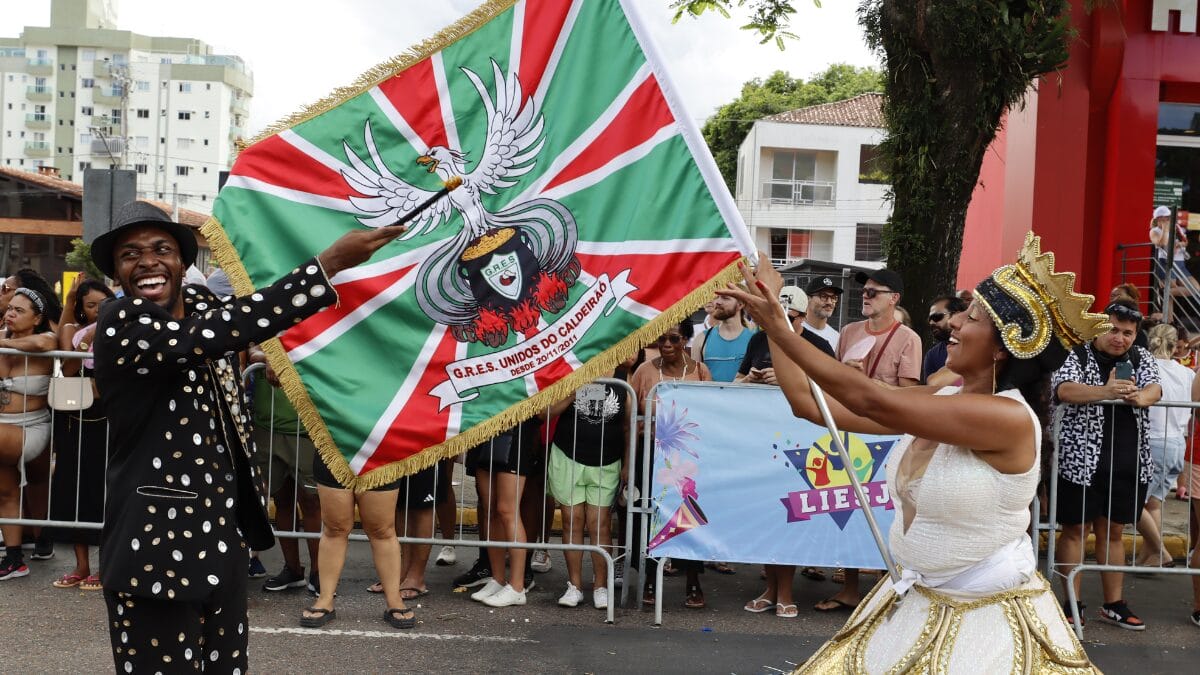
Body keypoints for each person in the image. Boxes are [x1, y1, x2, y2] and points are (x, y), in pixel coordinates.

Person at [719, 233, 1102, 672]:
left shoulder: (1007, 418)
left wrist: (777, 326)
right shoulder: (942, 400)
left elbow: (872, 400)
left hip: (984, 625)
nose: (954, 323)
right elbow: (809, 404)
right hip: (917, 601)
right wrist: (779, 319)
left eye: (971, 317)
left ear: (1002, 347)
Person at [90, 200, 410, 670]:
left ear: (182, 261)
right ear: (117, 273)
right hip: (154, 546)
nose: (147, 262)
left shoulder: (203, 306)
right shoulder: (121, 322)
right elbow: (214, 333)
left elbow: (243, 322)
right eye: (130, 254)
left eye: (161, 249)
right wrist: (326, 266)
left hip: (223, 537)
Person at [817, 268, 922, 613]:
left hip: (887, 435)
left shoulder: (908, 338)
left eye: (874, 291)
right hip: (849, 430)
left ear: (894, 299)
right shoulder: (848, 331)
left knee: (887, 511)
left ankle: (886, 587)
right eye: (865, 290)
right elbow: (833, 380)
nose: (866, 295)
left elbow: (909, 394)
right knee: (851, 508)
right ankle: (849, 587)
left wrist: (866, 384)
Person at [1053, 299, 1160, 630]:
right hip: (1079, 459)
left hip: (1127, 459)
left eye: (1128, 333)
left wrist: (1143, 397)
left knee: (1114, 530)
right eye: (1113, 330)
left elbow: (1155, 387)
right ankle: (1072, 604)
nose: (1120, 338)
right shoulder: (1077, 353)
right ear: (1099, 327)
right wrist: (1106, 391)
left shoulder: (1141, 357)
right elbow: (1064, 389)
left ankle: (1114, 604)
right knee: (1075, 529)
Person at [737, 288, 832, 618]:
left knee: (791, 515)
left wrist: (790, 380)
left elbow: (834, 391)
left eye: (787, 318)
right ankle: (771, 589)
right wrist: (750, 380)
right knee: (767, 514)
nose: (777, 323)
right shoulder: (758, 340)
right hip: (762, 440)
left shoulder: (819, 346)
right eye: (772, 316)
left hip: (802, 445)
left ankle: (786, 592)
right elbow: (735, 382)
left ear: (802, 318)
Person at [629, 320, 712, 608]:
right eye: (661, 338)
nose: (666, 344)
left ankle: (693, 579)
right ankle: (650, 578)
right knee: (650, 515)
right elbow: (630, 421)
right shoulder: (644, 371)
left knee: (688, 515)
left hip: (687, 457)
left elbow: (712, 416)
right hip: (649, 453)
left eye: (674, 339)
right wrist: (628, 464)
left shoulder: (700, 372)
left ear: (686, 340)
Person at [46, 277, 115, 590]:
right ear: (81, 309)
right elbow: (68, 369)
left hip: (110, 421)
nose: (98, 311)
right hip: (76, 420)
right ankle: (80, 565)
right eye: (91, 305)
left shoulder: (121, 332)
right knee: (73, 488)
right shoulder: (73, 331)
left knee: (104, 491)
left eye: (104, 305)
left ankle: (104, 566)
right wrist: (88, 339)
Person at [542, 373, 629, 610]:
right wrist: (574, 390)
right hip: (568, 457)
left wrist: (628, 463)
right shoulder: (572, 369)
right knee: (571, 520)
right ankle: (575, 586)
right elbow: (545, 413)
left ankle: (600, 587)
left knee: (599, 524)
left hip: (607, 462)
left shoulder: (623, 377)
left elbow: (628, 427)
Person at [246, 344, 322, 595]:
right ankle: (293, 569)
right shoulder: (267, 321)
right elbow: (252, 349)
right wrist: (268, 356)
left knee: (311, 502)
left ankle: (320, 572)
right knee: (282, 500)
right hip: (267, 426)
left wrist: (277, 358)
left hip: (306, 428)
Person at [0, 284, 58, 580]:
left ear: (36, 318)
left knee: (32, 484)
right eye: (10, 308)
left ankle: (39, 537)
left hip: (31, 428)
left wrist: (5, 343)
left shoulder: (46, 338)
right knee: (5, 492)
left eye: (19, 310)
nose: (10, 313)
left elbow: (43, 344)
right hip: (2, 428)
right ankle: (14, 560)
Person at [466, 418, 544, 607]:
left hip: (517, 431)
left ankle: (517, 587)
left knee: (508, 510)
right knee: (490, 509)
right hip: (484, 428)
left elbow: (545, 411)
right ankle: (498, 579)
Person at [1135, 323, 1194, 568]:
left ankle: (1160, 552)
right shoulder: (1187, 374)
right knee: (1153, 503)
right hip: (1177, 443)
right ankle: (1147, 558)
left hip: (1154, 441)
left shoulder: (1146, 369)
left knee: (1131, 502)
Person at [691, 294, 752, 383]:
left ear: (740, 304)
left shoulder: (754, 339)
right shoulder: (701, 339)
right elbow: (695, 382)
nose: (718, 302)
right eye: (716, 297)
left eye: (725, 298)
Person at [922, 296, 967, 381]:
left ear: (957, 315)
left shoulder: (979, 345)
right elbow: (931, 386)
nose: (931, 322)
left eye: (937, 317)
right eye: (929, 319)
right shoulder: (932, 355)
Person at [803, 276, 842, 351]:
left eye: (833, 298)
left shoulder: (837, 338)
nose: (829, 302)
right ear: (808, 299)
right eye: (823, 296)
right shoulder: (794, 329)